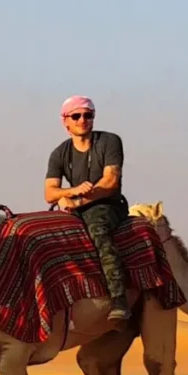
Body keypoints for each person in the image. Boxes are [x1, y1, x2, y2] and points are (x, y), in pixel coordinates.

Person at [44, 95, 132, 322]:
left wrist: (79, 200)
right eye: (76, 116)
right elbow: (50, 192)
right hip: (75, 207)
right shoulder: (59, 153)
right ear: (66, 122)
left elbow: (110, 182)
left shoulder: (109, 142)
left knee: (98, 231)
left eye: (88, 115)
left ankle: (119, 299)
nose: (83, 120)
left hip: (108, 205)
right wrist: (69, 194)